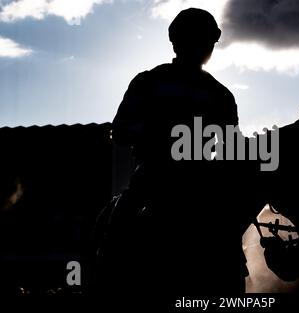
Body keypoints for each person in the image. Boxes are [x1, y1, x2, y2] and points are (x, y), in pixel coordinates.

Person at [96, 8, 249, 298]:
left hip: (205, 186)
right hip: (153, 181)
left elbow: (233, 150)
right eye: (198, 40)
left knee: (229, 249)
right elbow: (121, 131)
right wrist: (158, 132)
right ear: (178, 42)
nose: (204, 48)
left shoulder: (221, 94)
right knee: (117, 231)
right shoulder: (148, 82)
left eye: (207, 42)